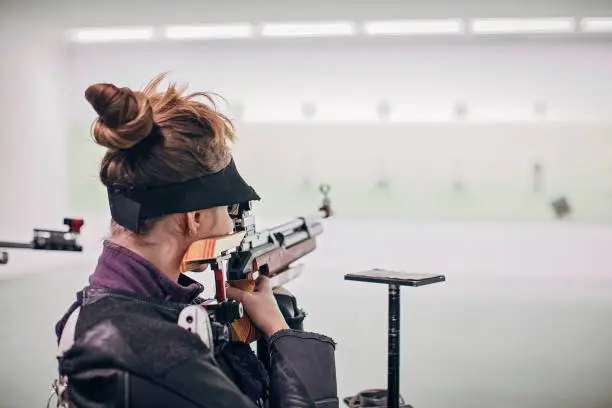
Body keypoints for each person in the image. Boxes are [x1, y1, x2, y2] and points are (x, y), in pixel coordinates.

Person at [53, 75, 339, 408]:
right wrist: (279, 330)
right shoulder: (160, 357)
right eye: (227, 210)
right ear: (195, 218)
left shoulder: (96, 313)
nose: (232, 222)